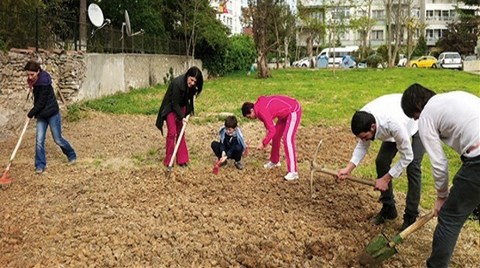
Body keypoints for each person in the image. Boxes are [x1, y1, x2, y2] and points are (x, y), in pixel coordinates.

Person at [401, 83, 480, 268]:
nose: (417, 120)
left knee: (449, 217)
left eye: (415, 117)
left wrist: (442, 196)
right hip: (475, 158)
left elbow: (439, 162)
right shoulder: (457, 96)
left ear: (418, 107)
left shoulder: (427, 114)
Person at [336, 94, 425, 230]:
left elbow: (407, 156)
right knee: (381, 161)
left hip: (418, 122)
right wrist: (348, 168)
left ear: (372, 127)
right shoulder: (363, 118)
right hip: (396, 120)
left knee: (413, 167)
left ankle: (410, 217)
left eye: (365, 137)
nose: (364, 140)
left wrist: (386, 178)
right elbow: (362, 145)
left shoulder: (393, 124)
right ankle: (389, 208)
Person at [24, 60, 77, 174]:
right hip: (41, 115)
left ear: (38, 71)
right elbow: (38, 102)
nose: (30, 77)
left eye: (32, 74)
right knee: (39, 140)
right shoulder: (34, 81)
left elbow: (41, 103)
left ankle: (71, 155)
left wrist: (30, 114)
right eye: (28, 74)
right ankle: (40, 165)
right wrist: (35, 113)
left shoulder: (44, 82)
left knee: (58, 139)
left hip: (52, 113)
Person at [241, 95, 301, 181]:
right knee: (276, 136)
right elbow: (269, 127)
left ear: (251, 110)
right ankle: (274, 161)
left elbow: (271, 130)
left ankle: (293, 172)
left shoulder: (262, 111)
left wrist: (263, 143)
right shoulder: (258, 109)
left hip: (293, 111)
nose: (250, 119)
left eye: (249, 116)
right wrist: (266, 141)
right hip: (284, 115)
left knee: (287, 139)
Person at [155, 66, 203, 167]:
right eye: (191, 80)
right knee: (172, 133)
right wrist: (182, 117)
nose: (193, 83)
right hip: (170, 108)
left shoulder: (193, 86)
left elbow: (188, 99)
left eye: (195, 81)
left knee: (181, 132)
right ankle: (169, 160)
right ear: (188, 76)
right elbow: (174, 104)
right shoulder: (177, 84)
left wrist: (187, 112)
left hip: (181, 106)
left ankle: (182, 160)